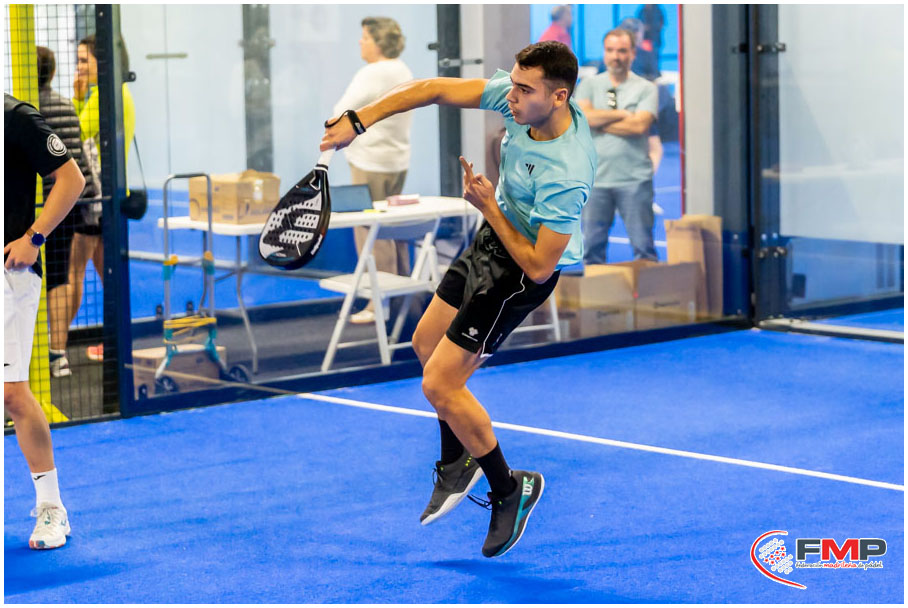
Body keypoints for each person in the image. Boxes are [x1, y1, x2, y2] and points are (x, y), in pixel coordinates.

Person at [322, 41, 596, 557]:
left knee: (440, 383)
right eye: (512, 84)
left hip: (519, 274)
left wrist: (489, 207)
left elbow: (540, 266)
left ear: (558, 97)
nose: (510, 96)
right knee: (424, 344)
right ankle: (456, 460)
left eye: (524, 89)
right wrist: (360, 120)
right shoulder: (522, 104)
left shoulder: (566, 171)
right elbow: (431, 89)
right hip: (492, 243)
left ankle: (510, 489)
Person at [5, 93, 86, 549]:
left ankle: (52, 509)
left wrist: (33, 238)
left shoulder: (16, 117)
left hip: (8, 274)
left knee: (12, 395)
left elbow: (71, 179)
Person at [332, 17, 414, 325]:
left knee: (371, 233)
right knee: (395, 231)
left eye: (365, 37)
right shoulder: (402, 69)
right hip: (397, 161)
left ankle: (378, 304)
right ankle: (404, 300)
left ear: (378, 43)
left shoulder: (373, 72)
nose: (360, 42)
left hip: (370, 162)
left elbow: (341, 112)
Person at [68, 34, 136, 362]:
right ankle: (116, 342)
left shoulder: (104, 95)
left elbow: (75, 133)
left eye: (85, 60)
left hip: (99, 201)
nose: (79, 67)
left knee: (74, 271)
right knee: (105, 273)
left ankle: (55, 350)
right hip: (107, 198)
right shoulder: (117, 91)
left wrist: (76, 98)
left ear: (103, 61)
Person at [36, 46, 99, 378]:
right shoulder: (66, 106)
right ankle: (57, 355)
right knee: (60, 276)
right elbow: (77, 157)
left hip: (35, 208)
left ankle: (29, 356)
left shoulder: (24, 110)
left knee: (27, 277)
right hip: (68, 206)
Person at [575, 28, 658, 264]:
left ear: (633, 53)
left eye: (622, 51)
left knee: (644, 248)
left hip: (635, 180)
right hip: (596, 181)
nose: (616, 56)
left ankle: (649, 290)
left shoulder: (646, 88)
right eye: (610, 50)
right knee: (592, 251)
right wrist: (622, 114)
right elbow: (584, 119)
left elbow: (639, 126)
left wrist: (600, 122)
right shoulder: (588, 85)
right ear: (604, 53)